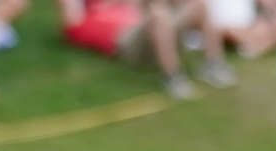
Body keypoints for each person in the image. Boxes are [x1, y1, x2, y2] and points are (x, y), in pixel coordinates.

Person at [57, 0, 235, 98]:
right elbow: (72, 24)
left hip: (150, 26)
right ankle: (173, 78)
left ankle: (213, 66)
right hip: (125, 38)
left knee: (199, 5)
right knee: (159, 16)